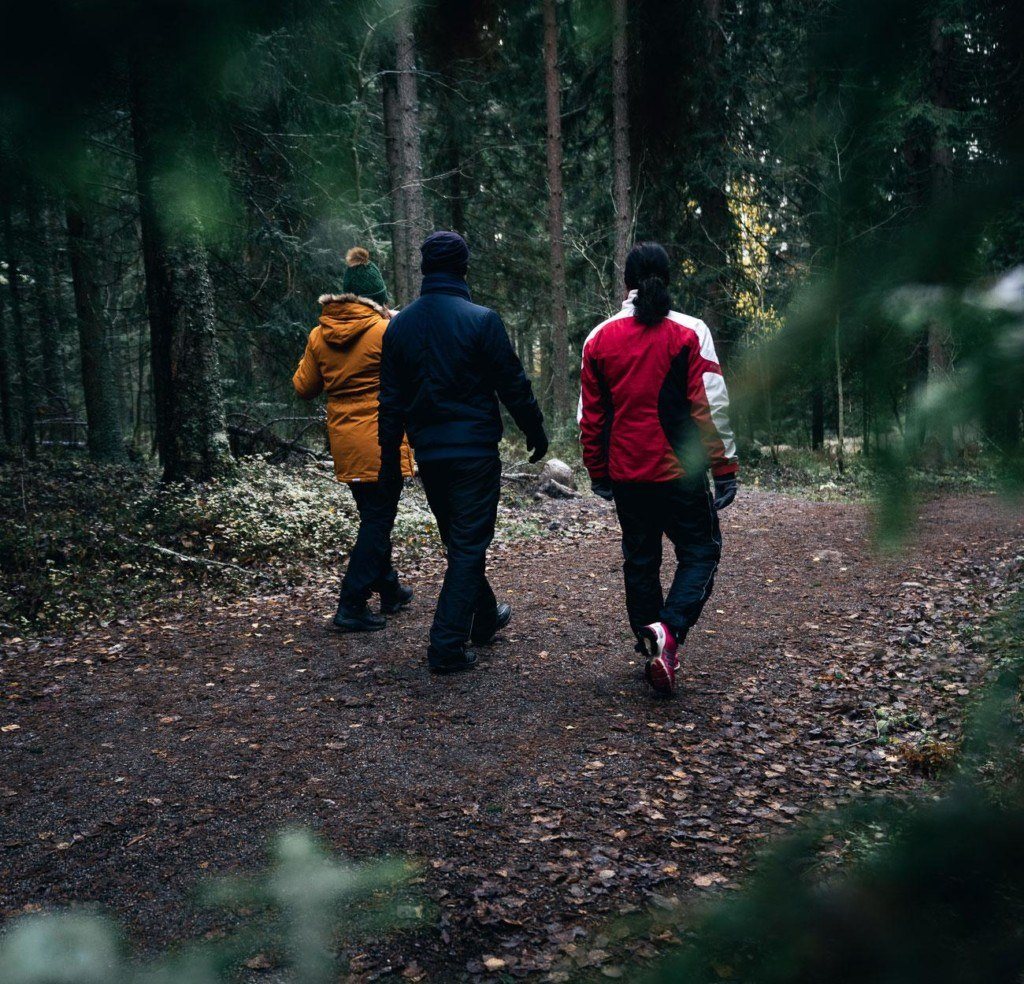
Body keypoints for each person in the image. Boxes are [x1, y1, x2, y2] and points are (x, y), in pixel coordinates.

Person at [378, 231, 548, 675]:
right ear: (463, 268)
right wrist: (535, 430)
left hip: (430, 455)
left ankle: (485, 617)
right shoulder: (481, 320)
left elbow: (390, 400)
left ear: (424, 269)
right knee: (468, 546)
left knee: (461, 542)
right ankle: (446, 645)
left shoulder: (399, 325)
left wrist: (387, 457)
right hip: (473, 453)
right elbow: (512, 382)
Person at [578, 242, 739, 696]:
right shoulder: (690, 332)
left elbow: (590, 416)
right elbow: (710, 404)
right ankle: (668, 632)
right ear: (667, 279)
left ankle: (653, 648)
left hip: (627, 471)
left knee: (641, 559)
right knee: (701, 552)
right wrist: (724, 467)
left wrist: (597, 471)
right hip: (679, 472)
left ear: (626, 282)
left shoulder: (599, 338)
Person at [293, 247, 416, 633]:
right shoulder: (386, 329)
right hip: (383, 437)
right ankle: (351, 603)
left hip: (345, 439)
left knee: (372, 516)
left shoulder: (318, 334)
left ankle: (390, 588)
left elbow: (303, 387)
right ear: (378, 299)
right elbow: (414, 377)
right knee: (378, 521)